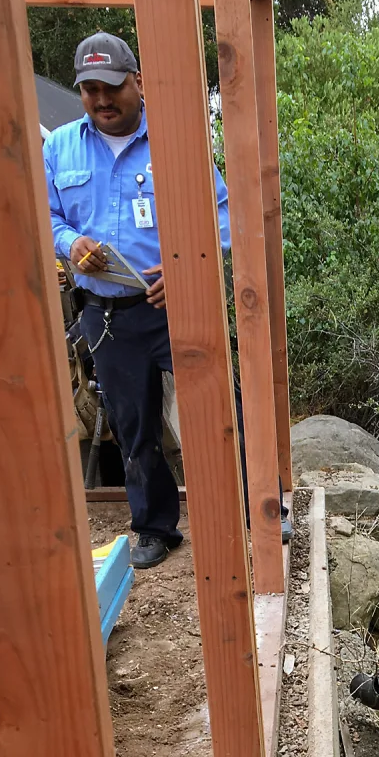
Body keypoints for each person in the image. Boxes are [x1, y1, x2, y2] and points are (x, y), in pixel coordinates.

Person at [44, 32, 287, 568]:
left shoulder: (177, 142)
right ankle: (155, 527)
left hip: (177, 305)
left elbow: (223, 217)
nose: (102, 100)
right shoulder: (59, 147)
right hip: (106, 314)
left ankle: (261, 508)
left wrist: (183, 267)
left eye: (111, 88)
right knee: (133, 424)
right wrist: (70, 243)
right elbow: (49, 217)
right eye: (89, 90)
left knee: (227, 408)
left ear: (138, 83)